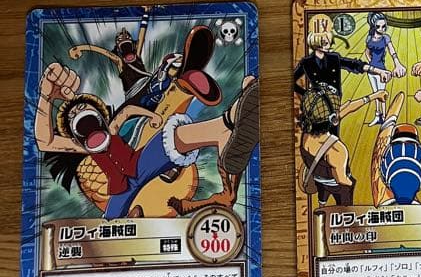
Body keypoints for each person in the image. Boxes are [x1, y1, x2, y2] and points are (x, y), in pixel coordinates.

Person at [34, 61, 258, 220]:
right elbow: (45, 142)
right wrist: (46, 96)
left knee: (171, 138)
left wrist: (152, 115)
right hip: (120, 189)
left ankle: (227, 122)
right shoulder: (81, 147)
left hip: (139, 163)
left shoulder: (111, 128)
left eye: (84, 108)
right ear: (75, 135)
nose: (78, 112)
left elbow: (127, 111)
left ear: (100, 116)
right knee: (111, 221)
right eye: (74, 116)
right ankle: (226, 129)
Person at [294, 17, 390, 99]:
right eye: (325, 42)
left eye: (329, 41)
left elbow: (354, 64)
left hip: (335, 99)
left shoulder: (334, 58)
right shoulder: (306, 62)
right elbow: (292, 82)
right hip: (317, 102)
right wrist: (307, 95)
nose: (329, 45)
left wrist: (379, 71)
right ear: (316, 43)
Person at [363, 12, 406, 126]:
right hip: (371, 71)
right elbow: (366, 52)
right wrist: (370, 63)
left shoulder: (385, 38)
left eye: (383, 26)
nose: (381, 29)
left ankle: (385, 117)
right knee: (375, 93)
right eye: (378, 26)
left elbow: (392, 51)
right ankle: (378, 116)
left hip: (382, 71)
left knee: (382, 94)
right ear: (374, 26)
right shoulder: (369, 38)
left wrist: (397, 63)